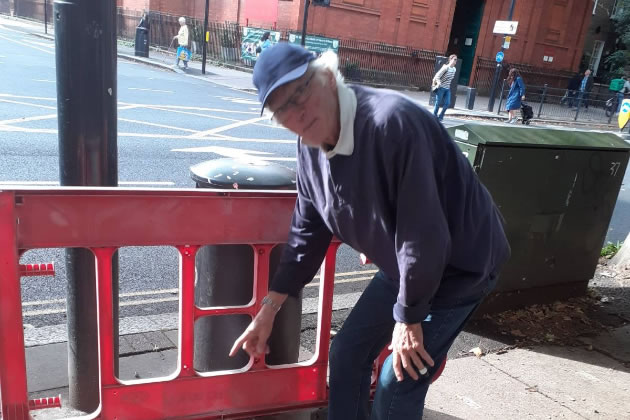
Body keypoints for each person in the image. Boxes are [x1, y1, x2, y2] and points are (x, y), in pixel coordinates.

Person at [230, 43, 510, 419]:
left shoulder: (391, 124)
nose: (296, 112)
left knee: (398, 381)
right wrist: (270, 307)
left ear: (328, 78)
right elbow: (307, 229)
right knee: (347, 354)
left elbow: (423, 234)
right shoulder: (309, 146)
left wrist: (408, 318)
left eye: (300, 93)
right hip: (407, 267)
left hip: (459, 267)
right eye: (281, 109)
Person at [431, 54, 457, 121]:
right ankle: (434, 116)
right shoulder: (445, 68)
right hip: (441, 88)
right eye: (454, 59)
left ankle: (441, 116)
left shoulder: (454, 69)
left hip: (447, 89)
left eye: (456, 60)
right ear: (450, 60)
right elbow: (437, 76)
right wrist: (439, 82)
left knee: (447, 103)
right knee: (438, 103)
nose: (455, 61)